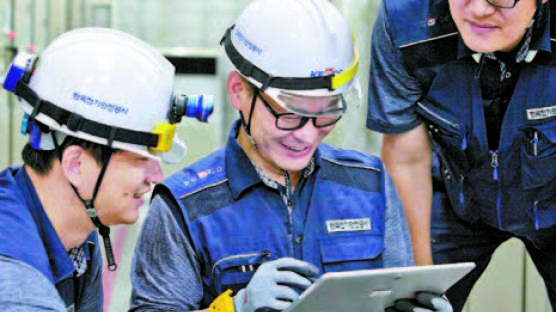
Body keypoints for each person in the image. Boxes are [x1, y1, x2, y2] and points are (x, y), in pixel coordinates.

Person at [129, 1, 452, 312]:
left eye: (326, 114)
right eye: (289, 115)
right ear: (239, 92)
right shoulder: (186, 208)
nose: (307, 135)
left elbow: (394, 295)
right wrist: (232, 309)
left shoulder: (370, 185)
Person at [0, 27, 211, 311]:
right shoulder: (15, 289)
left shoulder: (76, 238)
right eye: (140, 159)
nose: (156, 178)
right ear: (76, 164)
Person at [367, 0, 556, 310]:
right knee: (406, 301)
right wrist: (421, 284)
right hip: (456, 197)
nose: (479, 9)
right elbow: (406, 158)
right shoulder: (405, 22)